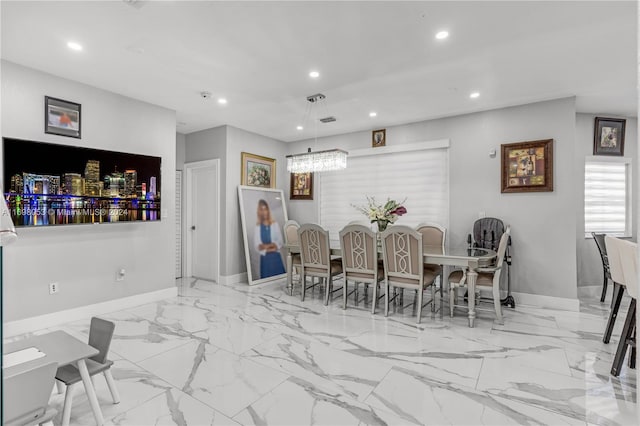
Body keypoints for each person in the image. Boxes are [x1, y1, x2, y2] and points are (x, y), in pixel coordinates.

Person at [254, 199, 285, 278]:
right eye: (262, 209)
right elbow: (257, 246)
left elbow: (280, 242)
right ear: (259, 212)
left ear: (268, 210)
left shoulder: (275, 224)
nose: (264, 212)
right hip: (265, 260)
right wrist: (272, 246)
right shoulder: (257, 227)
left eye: (265, 209)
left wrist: (265, 246)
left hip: (276, 259)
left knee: (280, 281)